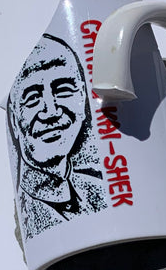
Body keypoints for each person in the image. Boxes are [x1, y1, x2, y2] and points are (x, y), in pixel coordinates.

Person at [7, 33, 106, 238]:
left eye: (62, 90)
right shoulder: (29, 218)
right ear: (15, 121)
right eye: (33, 97)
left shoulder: (98, 188)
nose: (51, 111)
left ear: (83, 99)